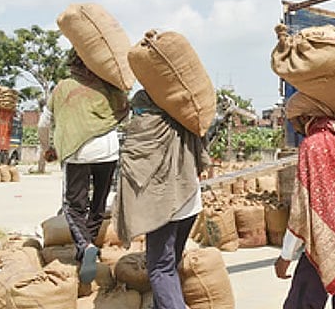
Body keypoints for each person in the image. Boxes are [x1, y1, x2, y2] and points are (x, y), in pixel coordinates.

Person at [274, 92, 335, 309]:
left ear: (304, 117)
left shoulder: (314, 145)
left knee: (302, 304)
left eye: (294, 122)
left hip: (322, 242)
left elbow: (303, 207)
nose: (295, 128)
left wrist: (286, 255)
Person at [37, 49, 129, 283]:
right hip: (108, 151)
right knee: (98, 203)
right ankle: (85, 249)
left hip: (78, 152)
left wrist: (47, 147)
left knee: (73, 206)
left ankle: (85, 245)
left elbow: (43, 123)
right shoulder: (108, 87)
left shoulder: (63, 87)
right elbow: (125, 114)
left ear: (73, 64)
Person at [113, 90, 209, 309]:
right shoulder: (183, 122)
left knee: (158, 269)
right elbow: (202, 154)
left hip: (163, 210)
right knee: (169, 264)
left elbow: (134, 170)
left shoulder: (144, 127)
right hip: (190, 202)